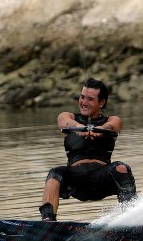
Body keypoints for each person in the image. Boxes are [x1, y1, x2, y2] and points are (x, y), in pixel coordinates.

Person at [39, 78, 136, 221]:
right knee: (54, 174)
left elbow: (114, 125)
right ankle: (47, 221)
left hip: (101, 179)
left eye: (90, 99)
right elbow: (65, 121)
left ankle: (133, 218)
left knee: (121, 168)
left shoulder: (112, 120)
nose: (84, 102)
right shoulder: (69, 117)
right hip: (76, 180)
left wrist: (101, 129)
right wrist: (79, 128)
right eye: (82, 97)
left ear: (101, 102)